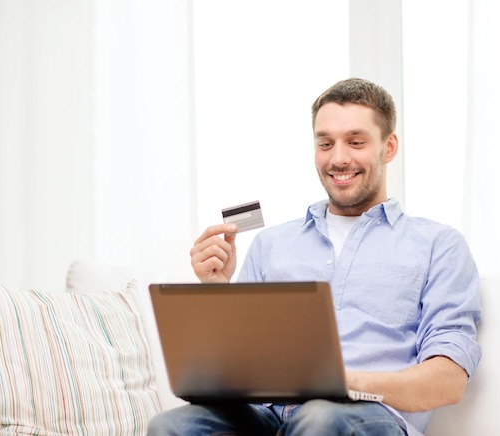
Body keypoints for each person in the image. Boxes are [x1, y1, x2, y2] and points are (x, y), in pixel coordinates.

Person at [147, 78, 481, 436]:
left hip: (365, 418)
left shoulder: (438, 245)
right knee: (173, 425)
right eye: (325, 143)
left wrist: (342, 383)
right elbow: (238, 369)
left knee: (321, 417)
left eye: (355, 142)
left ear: (389, 147)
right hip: (268, 418)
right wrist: (216, 290)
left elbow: (448, 381)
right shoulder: (271, 245)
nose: (338, 158)